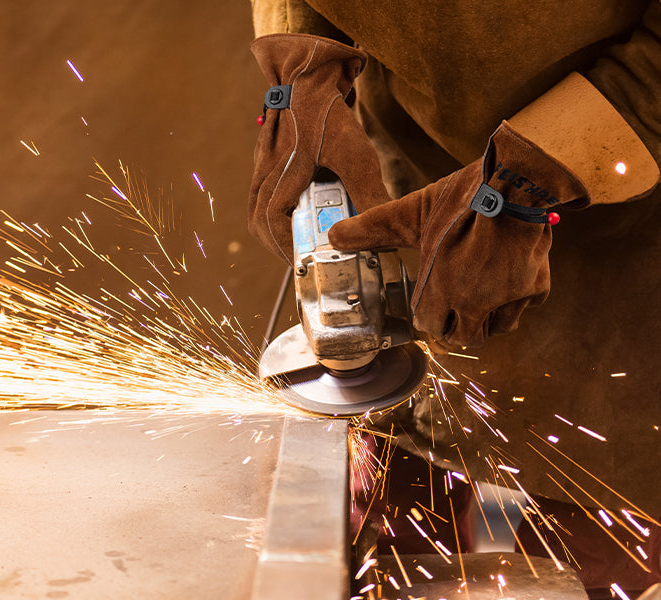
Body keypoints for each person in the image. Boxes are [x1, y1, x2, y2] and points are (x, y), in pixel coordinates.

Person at [247, 1, 661, 596]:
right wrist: (303, 61)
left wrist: (526, 179)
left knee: (606, 511)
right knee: (414, 475)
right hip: (427, 130)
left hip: (634, 153)